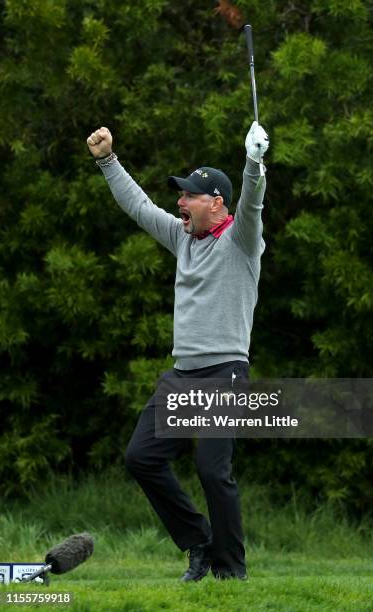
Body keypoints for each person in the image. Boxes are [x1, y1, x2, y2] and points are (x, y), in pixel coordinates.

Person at [86, 121, 269, 581]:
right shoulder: (182, 238)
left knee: (212, 469)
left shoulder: (242, 242)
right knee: (141, 457)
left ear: (216, 203)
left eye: (189, 196)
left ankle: (231, 572)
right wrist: (107, 159)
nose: (180, 202)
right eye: (181, 195)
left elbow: (253, 206)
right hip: (183, 375)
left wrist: (253, 163)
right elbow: (138, 206)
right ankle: (199, 544)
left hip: (225, 373)